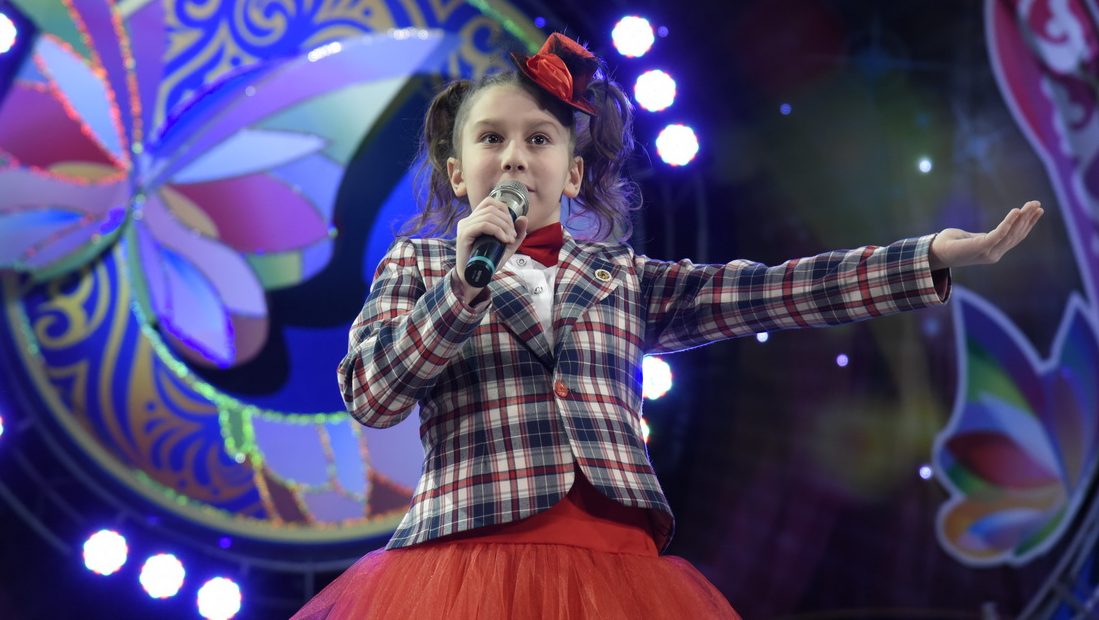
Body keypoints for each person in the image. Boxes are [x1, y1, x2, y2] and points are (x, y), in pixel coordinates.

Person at [290, 33, 1042, 619]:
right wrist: (464, 286)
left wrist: (928, 256)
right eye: (490, 139)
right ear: (458, 172)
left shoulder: (620, 276)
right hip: (465, 563)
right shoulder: (421, 264)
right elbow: (371, 395)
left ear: (573, 173)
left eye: (539, 139)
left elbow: (773, 291)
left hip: (618, 572)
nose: (514, 157)